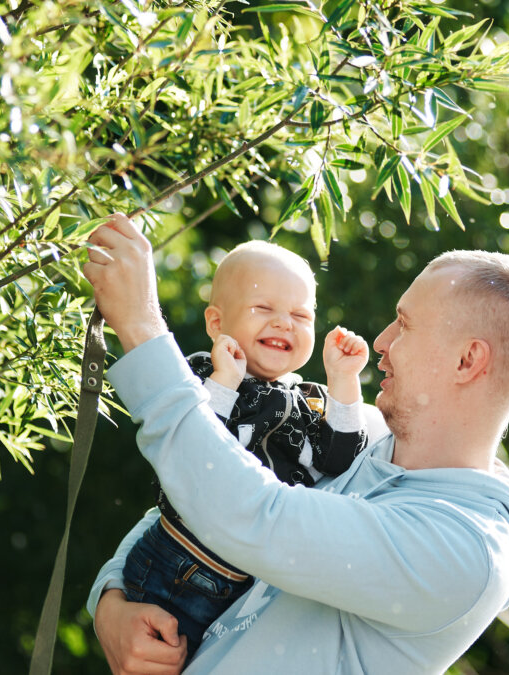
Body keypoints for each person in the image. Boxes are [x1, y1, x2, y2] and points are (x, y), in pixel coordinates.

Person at [80, 213, 509, 675]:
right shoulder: (366, 439)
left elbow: (252, 515)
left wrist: (141, 326)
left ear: (467, 360)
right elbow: (197, 485)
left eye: (405, 324)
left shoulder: (461, 552)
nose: (382, 341)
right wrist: (112, 603)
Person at [121, 240, 370, 655]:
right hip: (175, 567)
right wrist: (224, 381)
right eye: (263, 309)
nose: (284, 323)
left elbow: (338, 459)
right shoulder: (203, 375)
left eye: (300, 315)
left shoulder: (308, 400)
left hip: (246, 587)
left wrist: (344, 382)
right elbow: (191, 450)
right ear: (217, 323)